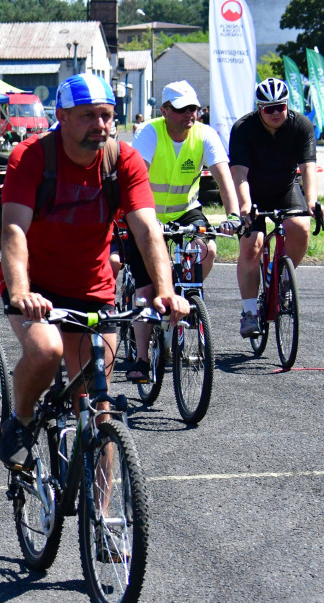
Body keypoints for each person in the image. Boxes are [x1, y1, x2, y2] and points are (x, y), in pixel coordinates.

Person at [0, 73, 188, 472]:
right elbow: (13, 229)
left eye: (106, 116)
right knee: (47, 351)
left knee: (100, 410)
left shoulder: (124, 161)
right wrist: (20, 291)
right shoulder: (31, 157)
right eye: (88, 117)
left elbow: (147, 229)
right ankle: (22, 419)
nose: (100, 126)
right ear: (62, 116)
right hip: (36, 287)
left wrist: (165, 290)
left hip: (93, 288)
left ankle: (105, 526)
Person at [127, 80, 241, 381]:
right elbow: (135, 178)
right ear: (164, 110)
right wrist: (145, 222)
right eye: (181, 110)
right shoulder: (149, 133)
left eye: (193, 108)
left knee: (209, 248)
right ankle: (140, 358)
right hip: (146, 212)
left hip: (185, 209)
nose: (189, 115)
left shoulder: (205, 135)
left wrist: (233, 214)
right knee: (146, 289)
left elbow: (223, 177)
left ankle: (184, 291)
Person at [230, 77, 317, 338]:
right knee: (252, 244)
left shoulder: (301, 125)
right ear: (259, 109)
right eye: (269, 109)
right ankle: (249, 312)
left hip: (284, 188)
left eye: (281, 106)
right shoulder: (244, 128)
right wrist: (245, 206)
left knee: (300, 225)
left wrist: (312, 202)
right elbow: (240, 174)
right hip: (253, 191)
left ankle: (282, 279)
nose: (277, 112)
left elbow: (309, 167)